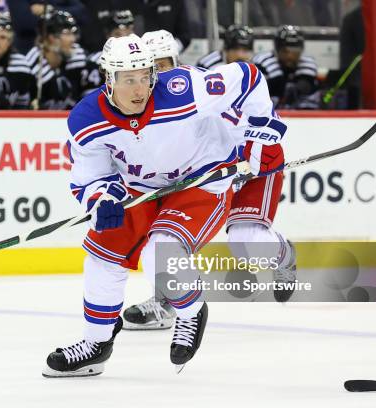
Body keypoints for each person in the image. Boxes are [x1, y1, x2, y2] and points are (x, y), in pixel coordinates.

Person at [43, 33, 287, 377]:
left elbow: (248, 77)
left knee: (160, 253)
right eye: (129, 79)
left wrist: (263, 131)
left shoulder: (182, 89)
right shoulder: (85, 119)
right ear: (108, 78)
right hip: (142, 188)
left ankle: (190, 312)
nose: (140, 88)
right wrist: (102, 199)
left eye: (145, 76)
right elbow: (91, 176)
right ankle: (96, 344)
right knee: (102, 255)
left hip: (200, 180)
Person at [121, 29, 296, 331]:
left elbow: (258, 111)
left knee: (247, 243)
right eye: (150, 68)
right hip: (204, 178)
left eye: (163, 65)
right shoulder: (139, 104)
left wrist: (259, 147)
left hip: (248, 169)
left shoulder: (199, 88)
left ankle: (283, 253)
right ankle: (167, 301)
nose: (157, 75)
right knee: (167, 238)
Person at [25, 10, 86, 109]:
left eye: (73, 33)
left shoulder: (78, 55)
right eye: (67, 33)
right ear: (50, 37)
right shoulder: (31, 65)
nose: (72, 39)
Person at [252, 25, 319, 109]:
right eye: (285, 51)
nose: (290, 56)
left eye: (295, 51)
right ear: (277, 49)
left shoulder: (308, 64)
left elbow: (306, 95)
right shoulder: (263, 62)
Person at [81, 9, 136, 98]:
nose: (124, 40)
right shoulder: (95, 62)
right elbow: (90, 98)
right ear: (108, 35)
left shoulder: (144, 59)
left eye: (128, 34)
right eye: (118, 34)